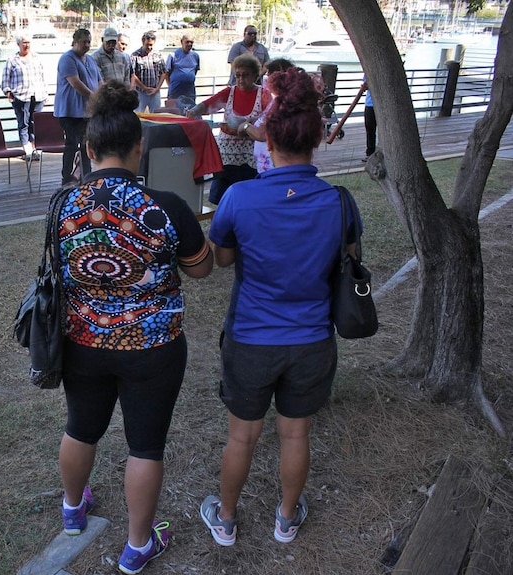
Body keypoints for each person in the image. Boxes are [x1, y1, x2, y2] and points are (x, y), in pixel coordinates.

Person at [54, 80, 213, 575]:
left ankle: (73, 508)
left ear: (88, 147)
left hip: (82, 341)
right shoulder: (166, 206)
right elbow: (201, 267)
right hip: (154, 347)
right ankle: (137, 545)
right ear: (139, 147)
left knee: (81, 428)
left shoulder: (63, 204)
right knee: (145, 445)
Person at [201, 67, 361, 548]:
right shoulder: (339, 202)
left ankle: (226, 519)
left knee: (241, 438)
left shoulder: (239, 197)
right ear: (315, 140)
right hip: (312, 340)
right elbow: (349, 263)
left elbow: (223, 259)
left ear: (268, 138)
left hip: (251, 339)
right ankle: (286, 519)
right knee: (296, 436)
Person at [186, 53, 272, 204]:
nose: (240, 79)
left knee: (248, 199)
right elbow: (208, 104)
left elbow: (269, 118)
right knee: (221, 199)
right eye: (237, 75)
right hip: (227, 156)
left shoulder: (263, 94)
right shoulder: (229, 92)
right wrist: (193, 111)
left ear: (255, 75)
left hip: (250, 158)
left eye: (245, 75)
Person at [54, 28, 101, 188]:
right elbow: (75, 83)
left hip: (88, 112)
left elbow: (100, 81)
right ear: (75, 42)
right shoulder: (67, 59)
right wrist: (93, 96)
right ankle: (67, 179)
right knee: (72, 145)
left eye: (89, 42)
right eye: (83, 42)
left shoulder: (91, 60)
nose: (87, 45)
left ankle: (86, 177)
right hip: (70, 112)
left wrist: (105, 95)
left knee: (86, 145)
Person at [243, 58, 295, 173]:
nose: (266, 79)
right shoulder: (277, 100)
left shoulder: (284, 102)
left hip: (274, 168)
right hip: (267, 165)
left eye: (268, 75)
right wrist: (256, 120)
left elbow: (262, 134)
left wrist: (245, 126)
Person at [1, 34, 48, 158]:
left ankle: (34, 148)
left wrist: (45, 92)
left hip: (37, 96)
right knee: (23, 123)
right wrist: (8, 93)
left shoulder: (37, 58)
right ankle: (26, 150)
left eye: (28, 42)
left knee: (35, 123)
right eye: (24, 43)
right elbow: (5, 80)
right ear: (18, 44)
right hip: (20, 96)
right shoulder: (12, 60)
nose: (26, 45)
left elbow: (42, 77)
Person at [131, 31, 167, 112]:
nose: (149, 47)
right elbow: (132, 74)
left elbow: (164, 72)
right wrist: (144, 87)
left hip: (155, 92)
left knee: (157, 116)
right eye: (147, 45)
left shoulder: (158, 55)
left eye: (151, 45)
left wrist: (157, 88)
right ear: (143, 42)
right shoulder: (135, 56)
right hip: (141, 93)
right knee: (139, 115)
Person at [165, 33, 200, 101]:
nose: (189, 44)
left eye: (191, 42)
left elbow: (195, 71)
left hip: (190, 92)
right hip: (175, 91)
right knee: (173, 111)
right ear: (181, 42)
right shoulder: (173, 55)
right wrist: (170, 86)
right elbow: (166, 73)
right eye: (187, 42)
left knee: (190, 110)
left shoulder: (196, 56)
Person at [362, 79, 376, 161]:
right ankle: (370, 153)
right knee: (370, 129)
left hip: (381, 104)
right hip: (369, 104)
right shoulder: (367, 72)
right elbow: (365, 84)